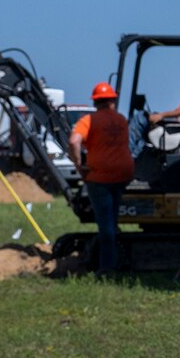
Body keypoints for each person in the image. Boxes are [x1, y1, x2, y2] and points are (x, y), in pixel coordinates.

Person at [70, 82, 132, 274]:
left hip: (100, 177)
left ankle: (107, 267)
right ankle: (115, 250)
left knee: (105, 224)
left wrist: (79, 165)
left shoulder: (89, 120)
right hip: (123, 174)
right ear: (112, 101)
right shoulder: (121, 120)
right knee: (112, 217)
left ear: (95, 102)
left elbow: (73, 141)